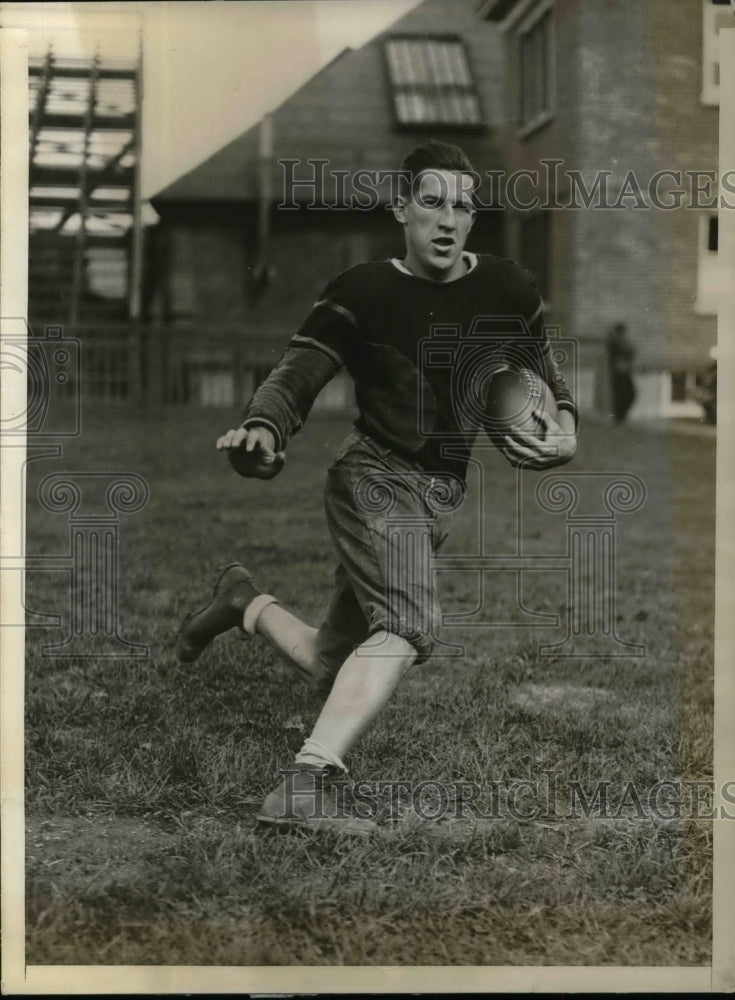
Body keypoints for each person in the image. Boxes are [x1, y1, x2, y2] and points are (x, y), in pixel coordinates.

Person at [177, 141, 578, 835]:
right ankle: (305, 784)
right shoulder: (361, 291)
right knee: (407, 627)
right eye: (431, 202)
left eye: (462, 206)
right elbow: (295, 376)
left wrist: (564, 428)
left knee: (331, 657)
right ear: (401, 207)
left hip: (438, 497)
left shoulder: (508, 290)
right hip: (373, 479)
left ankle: (242, 602)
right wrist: (262, 430)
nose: (448, 220)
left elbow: (545, 372)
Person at [606, 322, 636, 423]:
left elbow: (631, 352)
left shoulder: (620, 342)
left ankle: (621, 417)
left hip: (624, 371)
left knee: (630, 394)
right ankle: (619, 417)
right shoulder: (614, 343)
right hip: (618, 372)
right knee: (623, 395)